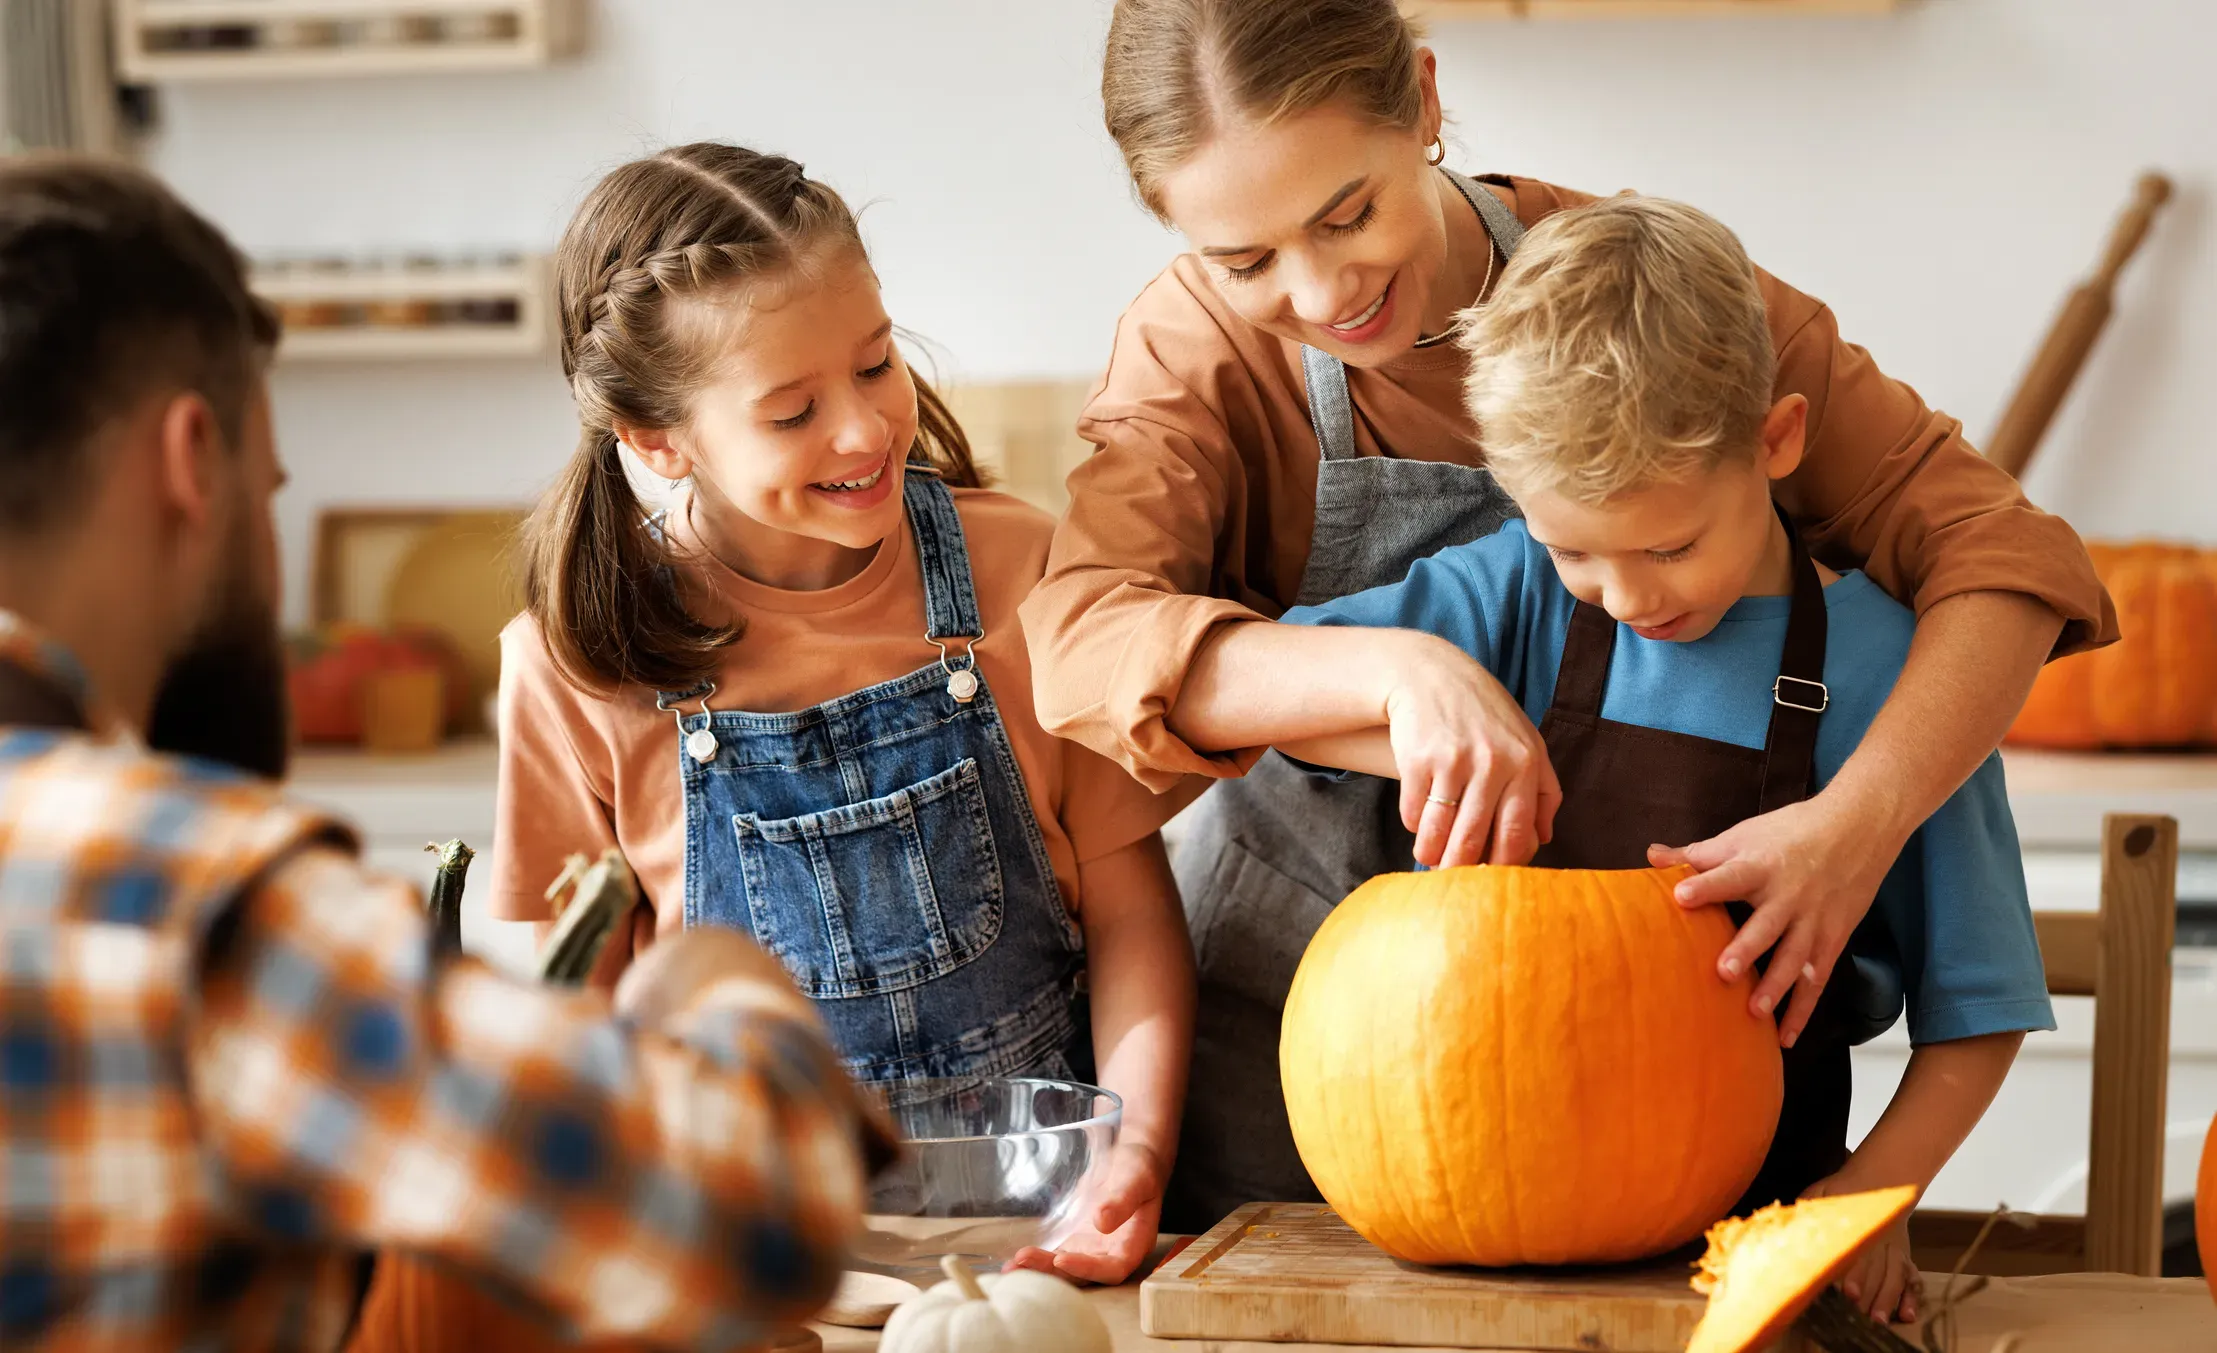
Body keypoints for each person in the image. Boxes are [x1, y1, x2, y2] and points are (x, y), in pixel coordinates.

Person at [1021, 0, 2111, 1232]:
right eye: (1246, 259)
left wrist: (1858, 824)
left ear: (1423, 104)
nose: (1322, 292)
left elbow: (2001, 557)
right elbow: (1082, 641)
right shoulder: (1192, 348)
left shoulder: (1643, 310)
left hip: (1648, 1083)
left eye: (1348, 213)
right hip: (1308, 1027)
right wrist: (1403, 674)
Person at [0, 154, 891, 1350]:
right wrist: (709, 982)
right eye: (268, 490)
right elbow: (766, 1214)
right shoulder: (181, 905)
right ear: (190, 461)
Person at [1171, 196, 2055, 1324]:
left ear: (1777, 441)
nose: (1630, 597)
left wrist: (1865, 1200)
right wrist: (1416, 681)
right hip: (1475, 1228)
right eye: (1576, 545)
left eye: (1673, 545)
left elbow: (1978, 1007)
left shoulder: (1895, 680)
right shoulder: (1515, 593)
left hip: (1750, 1254)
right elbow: (1267, 688)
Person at [490, 144, 1195, 1285]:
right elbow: (579, 1021)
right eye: (791, 411)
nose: (865, 431)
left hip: (1049, 1248)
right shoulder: (579, 666)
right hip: (750, 1272)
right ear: (657, 438)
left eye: (875, 366)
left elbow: (1131, 911)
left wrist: (1140, 1152)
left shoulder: (1021, 569)